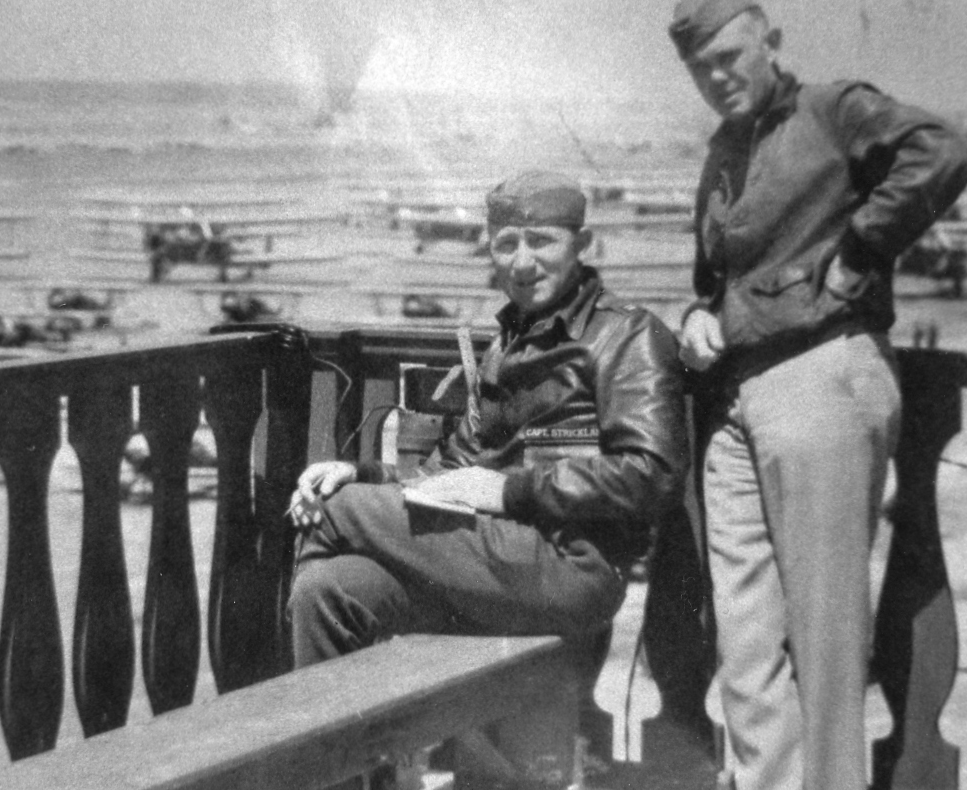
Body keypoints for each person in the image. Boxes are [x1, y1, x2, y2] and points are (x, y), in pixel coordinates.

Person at [668, 0, 967, 790]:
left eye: (730, 56)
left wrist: (866, 248)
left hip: (821, 378)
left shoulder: (830, 107)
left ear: (770, 39)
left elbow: (944, 151)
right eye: (700, 66)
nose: (718, 76)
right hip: (736, 398)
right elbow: (718, 269)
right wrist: (693, 313)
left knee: (825, 622)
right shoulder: (725, 153)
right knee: (748, 629)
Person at [287, 169, 687, 736]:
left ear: (583, 246)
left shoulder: (627, 336)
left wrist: (508, 490)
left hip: (570, 565)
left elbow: (653, 475)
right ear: (491, 254)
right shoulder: (507, 344)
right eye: (507, 244)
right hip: (500, 561)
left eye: (542, 240)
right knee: (327, 591)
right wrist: (359, 470)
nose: (523, 261)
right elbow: (454, 468)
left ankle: (337, 759)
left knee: (332, 514)